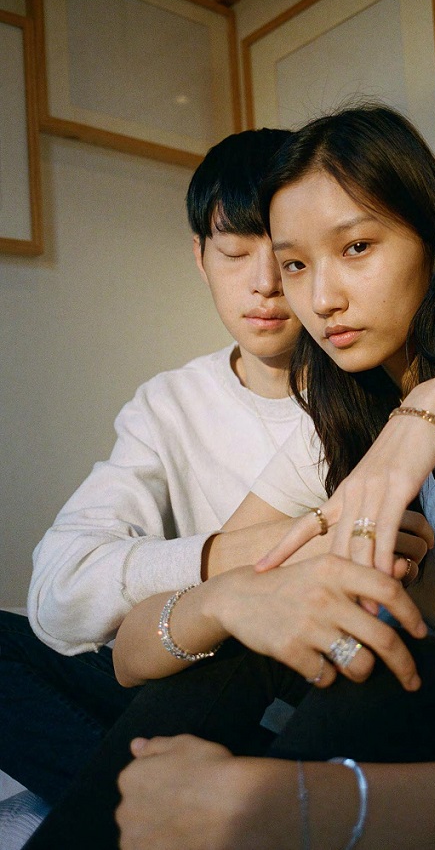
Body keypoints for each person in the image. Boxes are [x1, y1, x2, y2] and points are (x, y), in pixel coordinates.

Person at [110, 106, 435, 850]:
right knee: (244, 647)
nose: (320, 299)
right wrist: (233, 597)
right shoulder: (338, 421)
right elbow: (130, 656)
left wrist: (281, 804)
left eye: (356, 247)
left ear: (431, 239)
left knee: (361, 680)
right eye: (296, 265)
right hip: (415, 713)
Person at [0, 127, 310, 805]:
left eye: (288, 256)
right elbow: (60, 590)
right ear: (201, 258)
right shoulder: (171, 401)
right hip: (192, 656)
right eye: (235, 253)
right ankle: (165, 812)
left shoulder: (365, 387)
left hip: (300, 687)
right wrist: (227, 558)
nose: (264, 284)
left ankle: (168, 812)